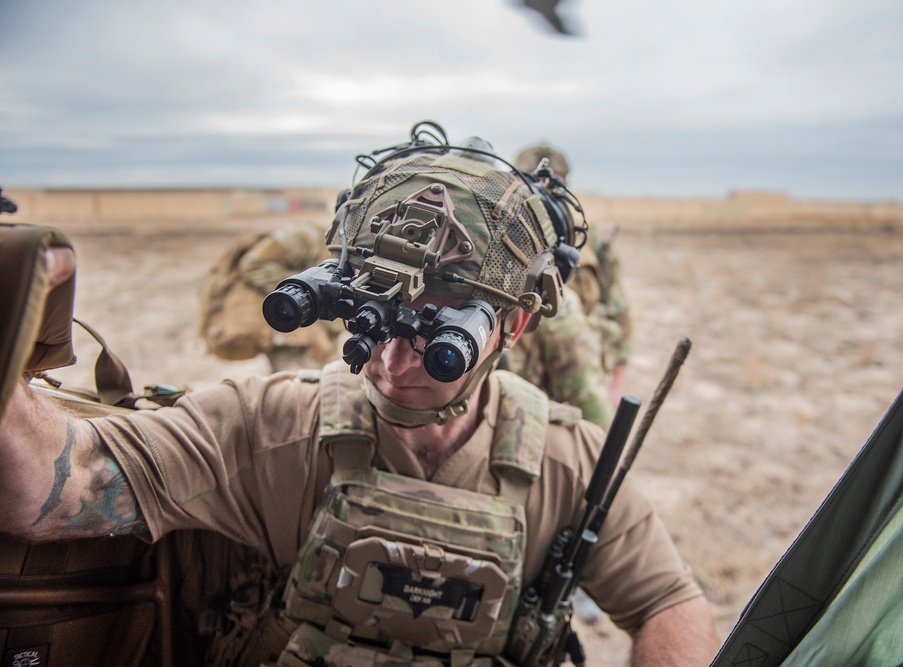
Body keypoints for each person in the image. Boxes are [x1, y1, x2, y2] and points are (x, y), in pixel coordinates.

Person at [0, 126, 720, 666]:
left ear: (514, 323)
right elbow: (49, 484)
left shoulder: (568, 461)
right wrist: (12, 299)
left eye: (438, 336)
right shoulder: (270, 426)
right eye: (370, 316)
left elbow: (668, 602)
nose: (392, 360)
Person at [512, 144, 633, 406]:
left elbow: (619, 312)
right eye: (529, 181)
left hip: (579, 374)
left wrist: (615, 386)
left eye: (551, 183)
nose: (540, 192)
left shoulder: (591, 239)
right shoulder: (497, 237)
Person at [199, 220, 346, 372]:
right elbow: (253, 264)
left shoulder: (348, 255)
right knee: (298, 386)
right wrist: (305, 287)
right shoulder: (304, 238)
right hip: (290, 332)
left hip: (313, 333)